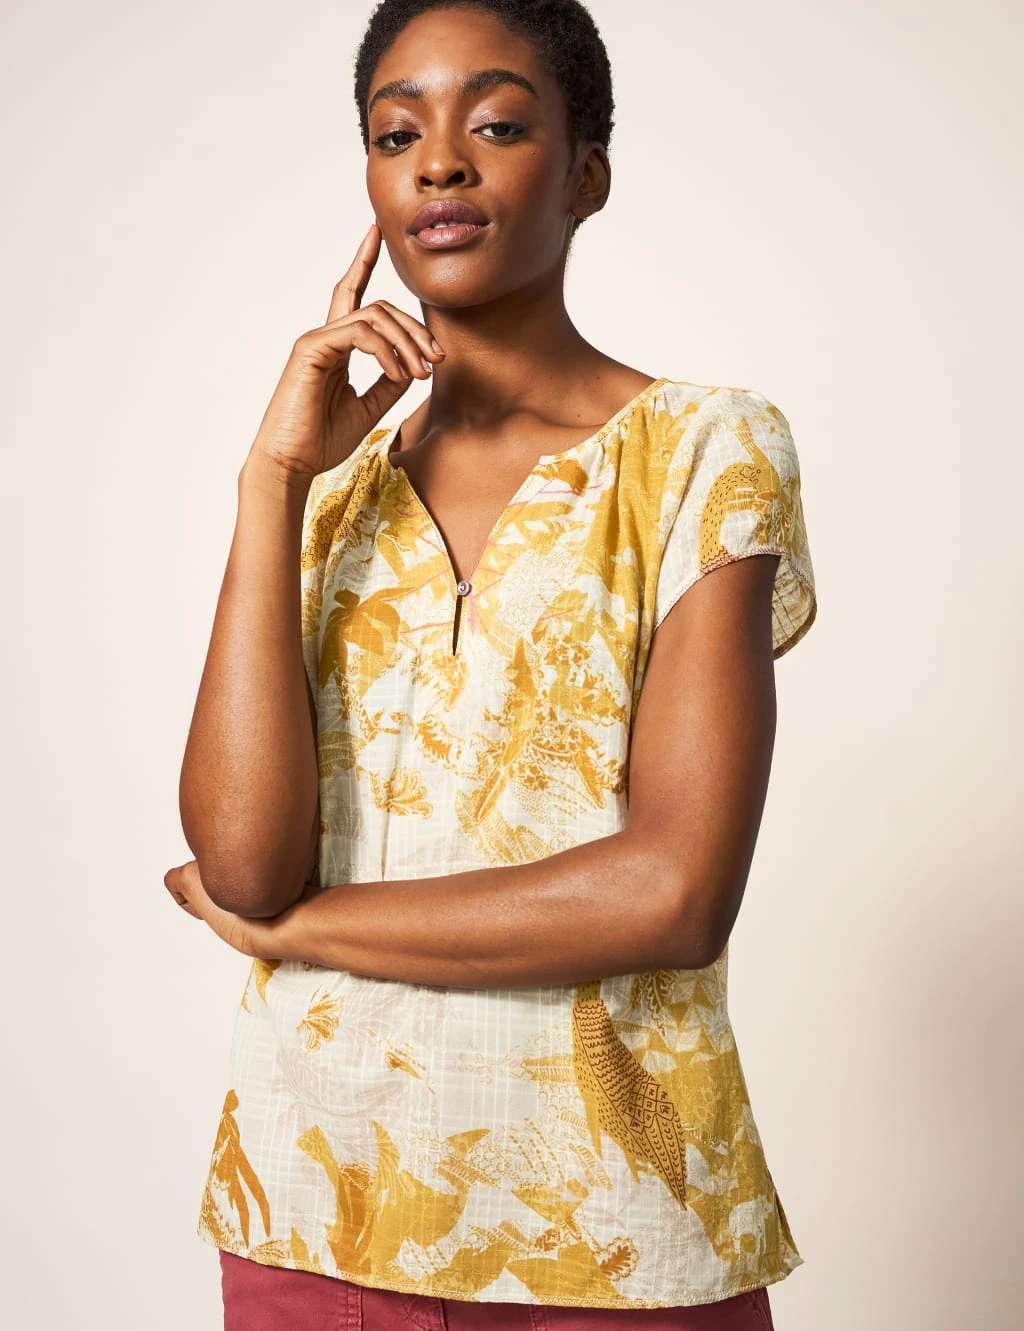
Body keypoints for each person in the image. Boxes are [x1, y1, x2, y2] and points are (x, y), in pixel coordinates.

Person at [165, 1, 817, 1327]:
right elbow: (241, 862)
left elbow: (673, 891)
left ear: (588, 173)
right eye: (396, 133)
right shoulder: (325, 494)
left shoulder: (704, 452)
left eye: (500, 125)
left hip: (619, 1236)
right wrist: (270, 480)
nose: (441, 163)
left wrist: (295, 933)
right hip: (312, 1217)